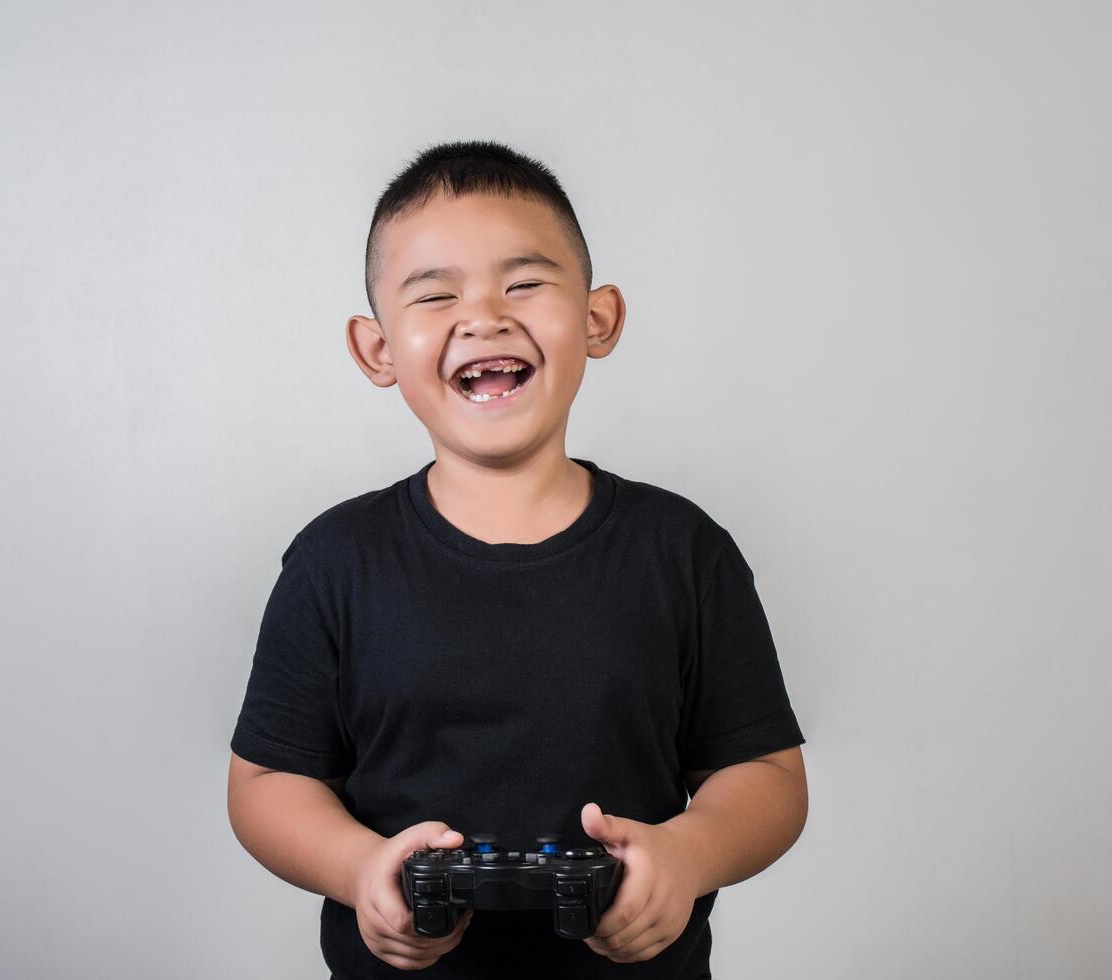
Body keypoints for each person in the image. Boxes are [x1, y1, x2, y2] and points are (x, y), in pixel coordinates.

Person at [226, 139, 808, 979]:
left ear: (597, 318)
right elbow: (265, 785)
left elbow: (763, 774)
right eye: (435, 294)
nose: (484, 315)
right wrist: (356, 868)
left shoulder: (682, 551)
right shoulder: (334, 562)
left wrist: (687, 856)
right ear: (376, 348)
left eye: (524, 283)